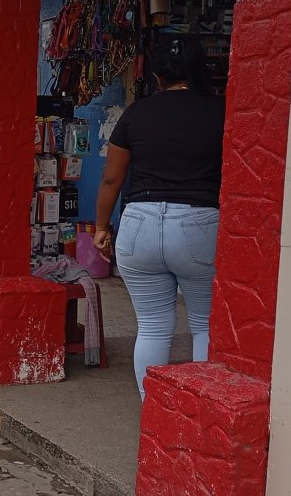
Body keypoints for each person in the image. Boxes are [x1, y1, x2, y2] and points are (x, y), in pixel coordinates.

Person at [93, 37, 226, 400]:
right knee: (203, 327)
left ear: (154, 74)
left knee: (152, 328)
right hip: (199, 224)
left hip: (139, 225)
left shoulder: (136, 114)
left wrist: (101, 227)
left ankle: (151, 409)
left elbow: (111, 178)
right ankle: (203, 411)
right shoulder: (221, 112)